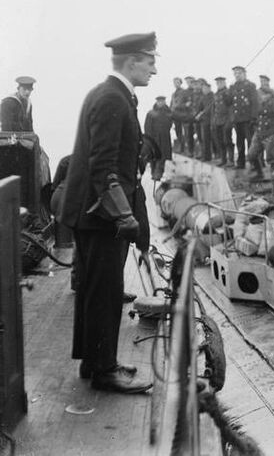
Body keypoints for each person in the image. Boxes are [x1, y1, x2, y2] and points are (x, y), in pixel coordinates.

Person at [59, 31, 157, 394]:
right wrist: (122, 216)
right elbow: (103, 166)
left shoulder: (108, 94)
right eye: (150, 61)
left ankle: (92, 360)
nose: (154, 70)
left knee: (93, 288)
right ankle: (104, 370)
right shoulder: (113, 99)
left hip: (91, 213)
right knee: (105, 291)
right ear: (131, 62)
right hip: (101, 217)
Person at [248, 74, 274, 179]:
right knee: (251, 155)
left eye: (262, 95)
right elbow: (257, 117)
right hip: (259, 134)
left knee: (272, 161)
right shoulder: (260, 105)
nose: (260, 97)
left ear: (268, 95)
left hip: (270, 136)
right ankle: (259, 174)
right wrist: (255, 127)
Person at [230, 65, 260, 169]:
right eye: (235, 74)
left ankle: (253, 164)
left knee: (251, 142)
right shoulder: (233, 87)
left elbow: (255, 103)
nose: (237, 75)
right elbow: (230, 102)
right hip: (238, 120)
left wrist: (253, 118)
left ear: (244, 74)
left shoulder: (250, 85)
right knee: (240, 142)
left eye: (239, 73)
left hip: (248, 119)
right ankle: (240, 162)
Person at [144, 96, 173, 180]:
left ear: (164, 102)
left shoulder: (169, 113)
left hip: (165, 138)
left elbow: (172, 122)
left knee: (162, 156)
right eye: (159, 101)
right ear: (156, 102)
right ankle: (154, 172)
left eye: (162, 101)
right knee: (153, 156)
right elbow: (147, 127)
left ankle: (158, 173)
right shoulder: (151, 113)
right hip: (154, 138)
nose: (161, 103)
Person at [212, 76, 233, 166]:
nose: (219, 84)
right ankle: (223, 159)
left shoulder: (227, 92)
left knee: (227, 140)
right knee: (220, 141)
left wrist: (230, 120)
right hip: (218, 120)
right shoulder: (216, 94)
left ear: (224, 83)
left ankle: (231, 160)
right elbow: (215, 108)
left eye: (221, 82)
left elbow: (230, 104)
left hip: (226, 120)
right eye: (218, 83)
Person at [169, 76, 191, 153]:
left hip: (183, 115)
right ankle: (181, 148)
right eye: (174, 82)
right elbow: (171, 105)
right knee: (178, 132)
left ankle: (187, 149)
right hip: (175, 116)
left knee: (186, 132)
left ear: (180, 83)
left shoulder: (184, 92)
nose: (176, 84)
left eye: (177, 82)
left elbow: (188, 103)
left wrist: (181, 106)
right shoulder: (173, 94)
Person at [195, 79, 214, 161]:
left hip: (210, 120)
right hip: (203, 121)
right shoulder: (203, 97)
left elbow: (209, 108)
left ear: (209, 88)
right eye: (203, 88)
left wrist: (201, 114)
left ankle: (208, 156)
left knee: (209, 139)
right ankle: (205, 155)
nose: (204, 90)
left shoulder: (212, 96)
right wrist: (197, 115)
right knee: (203, 139)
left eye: (205, 88)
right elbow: (199, 108)